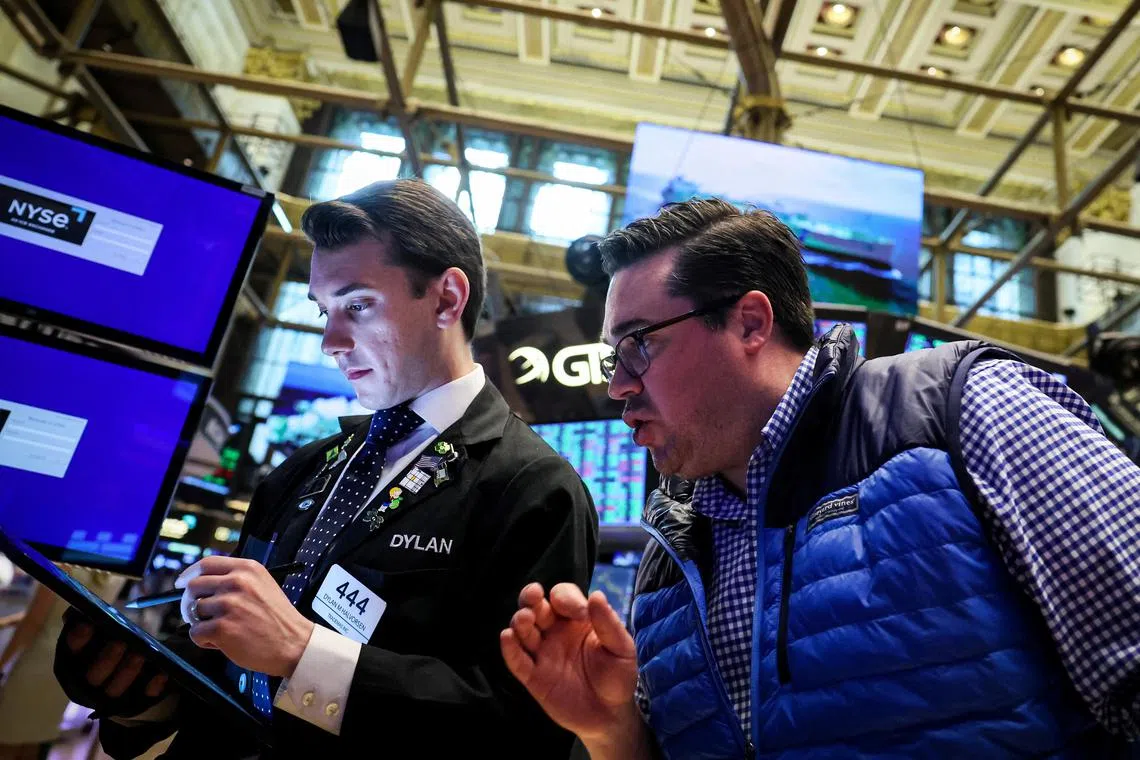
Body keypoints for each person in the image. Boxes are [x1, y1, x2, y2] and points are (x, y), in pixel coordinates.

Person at [502, 198, 1140, 758]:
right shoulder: (668, 558)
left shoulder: (961, 408)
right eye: (615, 355)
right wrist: (614, 731)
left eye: (639, 342)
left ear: (751, 322)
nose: (617, 384)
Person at [54, 179, 598, 759]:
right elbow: (232, 666)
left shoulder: (534, 490)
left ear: (446, 299)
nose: (329, 341)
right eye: (323, 310)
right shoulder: (306, 469)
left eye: (357, 305)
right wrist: (142, 688)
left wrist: (302, 651)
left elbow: (522, 727)